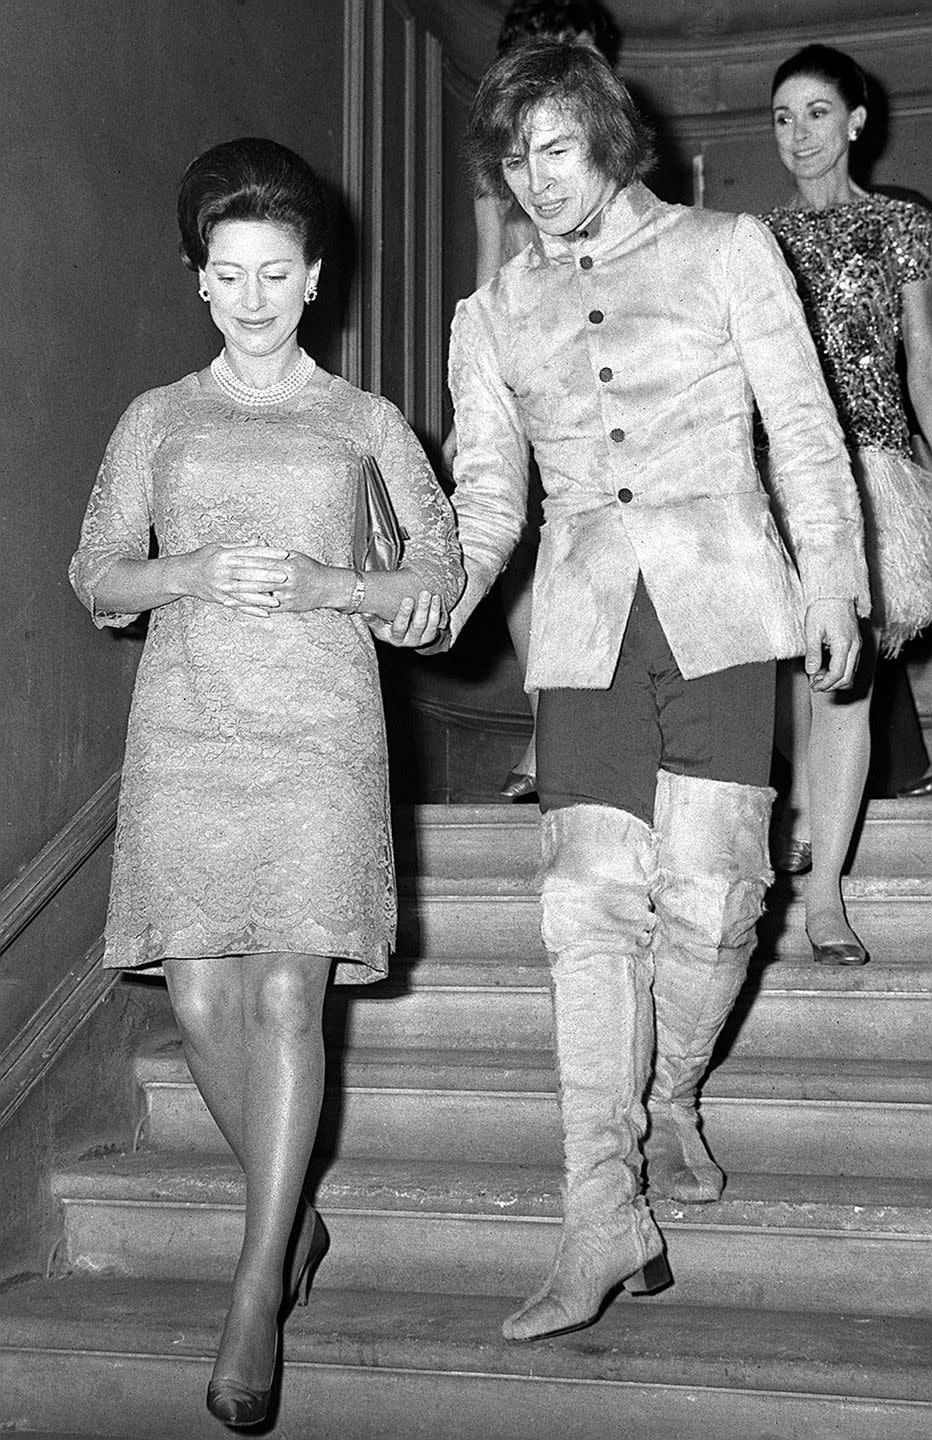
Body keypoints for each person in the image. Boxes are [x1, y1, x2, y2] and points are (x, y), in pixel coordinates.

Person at [444, 41, 868, 1343]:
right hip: (585, 629)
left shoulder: (730, 250)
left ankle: (673, 1086)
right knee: (581, 913)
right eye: (516, 163)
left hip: (726, 602)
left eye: (556, 149)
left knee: (721, 903)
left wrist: (836, 579)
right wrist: (457, 588)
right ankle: (597, 1213)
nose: (538, 182)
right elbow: (490, 489)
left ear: (607, 137)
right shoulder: (492, 311)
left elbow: (803, 425)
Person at [69, 137, 462, 1429]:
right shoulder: (157, 418)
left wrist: (333, 586)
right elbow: (97, 576)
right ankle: (296, 1218)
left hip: (319, 732)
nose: (250, 297)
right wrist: (184, 572)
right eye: (227, 274)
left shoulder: (362, 423)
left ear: (313, 280)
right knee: (196, 995)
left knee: (289, 984)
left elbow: (437, 579)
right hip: (190, 723)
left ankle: (253, 1288)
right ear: (201, 282)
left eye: (273, 273)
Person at [764, 45, 932, 962]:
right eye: (784, 117)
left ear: (856, 121)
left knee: (842, 682)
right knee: (793, 669)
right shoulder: (761, 236)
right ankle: (791, 830)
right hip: (782, 477)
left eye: (818, 112)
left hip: (877, 474)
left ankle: (824, 893)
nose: (799, 134)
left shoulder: (902, 225)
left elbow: (923, 362)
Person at [443, 1, 620, 800]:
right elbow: (487, 281)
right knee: (517, 559)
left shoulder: (603, 154)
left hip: (608, 383)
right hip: (528, 374)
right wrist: (473, 407)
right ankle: (550, 726)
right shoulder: (498, 169)